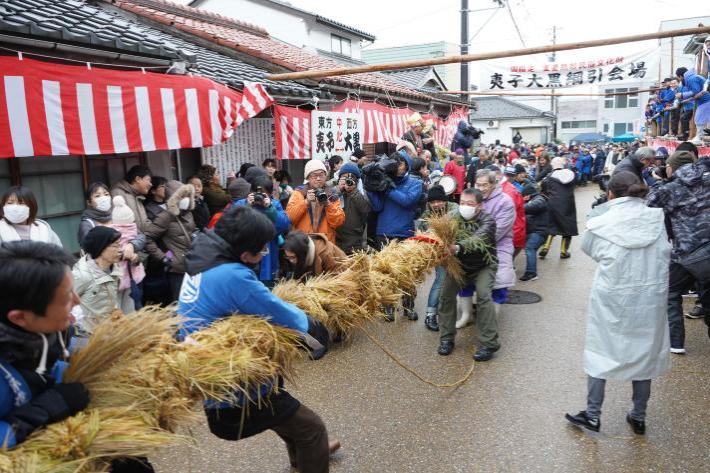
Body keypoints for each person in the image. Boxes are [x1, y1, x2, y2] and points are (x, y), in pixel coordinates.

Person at [177, 206, 339, 472]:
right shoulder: (231, 275)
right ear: (244, 253)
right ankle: (312, 448)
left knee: (286, 415)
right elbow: (276, 310)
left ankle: (303, 457)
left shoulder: (203, 256)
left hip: (218, 378)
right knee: (313, 429)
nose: (264, 255)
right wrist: (312, 327)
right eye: (261, 250)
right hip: (234, 390)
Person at [565, 172, 671, 435]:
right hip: (650, 297)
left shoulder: (602, 222)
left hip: (612, 296)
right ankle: (638, 415)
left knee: (600, 352)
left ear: (610, 193)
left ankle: (592, 415)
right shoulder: (656, 219)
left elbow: (590, 249)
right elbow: (666, 251)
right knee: (644, 355)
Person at [0, 241, 89, 448]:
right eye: (67, 297)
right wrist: (44, 411)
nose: (77, 301)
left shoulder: (47, 332)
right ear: (20, 318)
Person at [647, 150, 710, 354]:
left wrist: (660, 181)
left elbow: (649, 205)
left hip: (688, 252)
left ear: (671, 167)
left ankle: (676, 342)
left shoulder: (670, 188)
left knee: (671, 291)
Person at [436, 188, 499, 362]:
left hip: (483, 266)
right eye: (462, 202)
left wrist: (457, 247)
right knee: (446, 296)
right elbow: (436, 232)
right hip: (459, 266)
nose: (465, 207)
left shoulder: (488, 220)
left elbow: (478, 239)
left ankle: (489, 343)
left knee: (484, 296)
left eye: (470, 204)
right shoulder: (452, 216)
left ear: (479, 206)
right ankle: (446, 339)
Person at [367, 152, 424, 321]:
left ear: (406, 165)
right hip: (383, 233)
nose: (397, 166)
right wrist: (370, 185)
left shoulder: (415, 183)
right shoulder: (384, 182)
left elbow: (407, 201)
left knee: (408, 272)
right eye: (395, 163)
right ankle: (388, 307)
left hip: (405, 233)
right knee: (386, 273)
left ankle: (408, 306)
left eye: (401, 163)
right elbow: (377, 207)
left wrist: (387, 188)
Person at [234, 175, 290, 287]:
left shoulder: (274, 205)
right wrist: (246, 206)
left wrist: (270, 208)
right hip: (245, 253)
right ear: (251, 192)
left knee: (267, 286)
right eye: (256, 193)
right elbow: (232, 225)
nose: (259, 197)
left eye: (263, 194)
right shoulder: (241, 204)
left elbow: (285, 225)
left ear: (269, 194)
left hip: (268, 254)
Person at [144, 184, 196, 302]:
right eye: (182, 196)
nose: (186, 199)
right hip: (176, 269)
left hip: (193, 263)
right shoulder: (165, 217)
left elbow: (193, 230)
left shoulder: (188, 213)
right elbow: (148, 238)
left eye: (188, 196)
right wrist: (166, 258)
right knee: (180, 303)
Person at [472, 169, 515, 309]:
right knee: (467, 280)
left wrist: (470, 242)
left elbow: (497, 231)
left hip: (498, 248)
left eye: (484, 185)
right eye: (478, 185)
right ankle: (470, 312)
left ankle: (493, 320)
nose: (481, 188)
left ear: (493, 184)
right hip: (473, 245)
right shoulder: (473, 198)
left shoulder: (505, 202)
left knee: (499, 284)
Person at [72, 226, 126, 336]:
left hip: (110, 333)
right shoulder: (81, 275)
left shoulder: (114, 269)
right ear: (100, 249)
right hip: (89, 337)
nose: (120, 250)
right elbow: (65, 304)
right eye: (115, 245)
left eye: (119, 245)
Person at [420, 185, 458, 331]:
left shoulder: (455, 208)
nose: (436, 205)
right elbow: (423, 232)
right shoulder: (427, 214)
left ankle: (465, 310)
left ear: (445, 200)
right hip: (441, 253)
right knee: (441, 280)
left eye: (439, 201)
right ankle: (430, 314)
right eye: (432, 202)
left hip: (458, 250)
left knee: (458, 281)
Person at [286, 160, 345, 243]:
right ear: (308, 178)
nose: (318, 178)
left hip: (325, 244)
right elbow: (290, 218)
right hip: (304, 243)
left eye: (321, 175)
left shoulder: (332, 195)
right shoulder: (299, 193)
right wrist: (306, 202)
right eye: (314, 175)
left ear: (326, 176)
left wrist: (328, 204)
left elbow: (338, 222)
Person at [539, 157, 578, 259]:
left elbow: (544, 188)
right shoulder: (571, 174)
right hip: (568, 203)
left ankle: (546, 246)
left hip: (553, 202)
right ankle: (563, 251)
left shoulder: (549, 176)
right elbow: (575, 184)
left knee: (552, 225)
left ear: (553, 166)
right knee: (567, 227)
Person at [334, 163, 371, 255]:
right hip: (336, 240)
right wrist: (338, 190)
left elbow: (366, 209)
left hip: (355, 242)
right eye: (344, 177)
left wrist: (353, 191)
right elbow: (327, 204)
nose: (348, 180)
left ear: (357, 180)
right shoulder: (334, 191)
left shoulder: (361, 193)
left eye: (351, 177)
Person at [282, 230, 347, 280]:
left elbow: (335, 280)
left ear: (301, 253)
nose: (291, 261)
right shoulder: (302, 250)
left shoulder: (326, 254)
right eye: (288, 257)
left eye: (293, 257)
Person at [111, 165, 153, 233]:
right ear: (138, 179)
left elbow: (143, 223)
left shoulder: (138, 195)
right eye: (148, 180)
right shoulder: (118, 193)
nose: (151, 184)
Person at [520, 184, 548, 281]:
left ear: (528, 195)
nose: (523, 198)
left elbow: (536, 205)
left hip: (539, 232)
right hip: (535, 231)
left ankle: (531, 273)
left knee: (530, 248)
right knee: (530, 249)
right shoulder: (535, 199)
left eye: (523, 196)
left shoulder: (539, 199)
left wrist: (520, 207)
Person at [676, 67, 710, 145]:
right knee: (700, 119)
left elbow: (695, 91)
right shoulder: (692, 77)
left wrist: (682, 95)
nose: (680, 80)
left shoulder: (692, 79)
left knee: (699, 119)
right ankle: (701, 137)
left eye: (678, 78)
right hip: (704, 100)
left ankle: (699, 137)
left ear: (681, 76)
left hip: (706, 100)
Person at [500, 166, 526, 259]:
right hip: (513, 225)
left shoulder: (515, 189)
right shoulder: (508, 189)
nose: (508, 177)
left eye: (511, 175)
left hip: (515, 224)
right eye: (507, 175)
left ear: (514, 176)